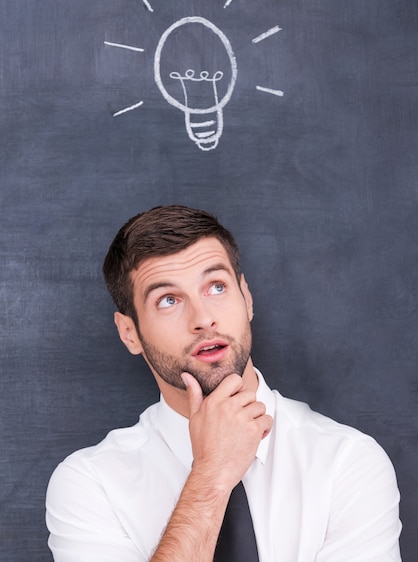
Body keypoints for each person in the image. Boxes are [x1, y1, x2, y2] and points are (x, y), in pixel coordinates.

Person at [46, 205, 402, 561]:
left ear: (246, 298)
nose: (203, 319)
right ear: (129, 333)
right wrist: (212, 473)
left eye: (216, 287)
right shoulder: (90, 485)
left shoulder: (348, 462)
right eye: (168, 300)